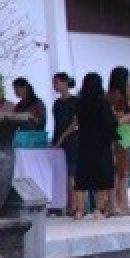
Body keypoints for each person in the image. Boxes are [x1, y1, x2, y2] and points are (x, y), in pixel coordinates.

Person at [59, 73, 116, 219]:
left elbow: (78, 122)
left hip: (84, 143)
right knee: (100, 177)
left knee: (82, 177)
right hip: (101, 144)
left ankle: (79, 209)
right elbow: (110, 124)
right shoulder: (103, 104)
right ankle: (98, 209)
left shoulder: (80, 103)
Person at [107, 66, 130, 215]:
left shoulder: (121, 96)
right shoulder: (115, 96)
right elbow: (116, 119)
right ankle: (120, 204)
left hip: (127, 138)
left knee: (123, 172)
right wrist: (129, 117)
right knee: (121, 172)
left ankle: (123, 203)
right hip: (120, 139)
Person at [51, 72, 80, 216]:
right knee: (61, 173)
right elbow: (57, 123)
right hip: (59, 139)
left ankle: (73, 204)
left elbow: (75, 122)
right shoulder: (56, 103)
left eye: (56, 82)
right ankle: (64, 203)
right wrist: (56, 140)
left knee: (71, 172)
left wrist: (63, 136)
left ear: (65, 83)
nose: (54, 86)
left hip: (71, 140)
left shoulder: (75, 101)